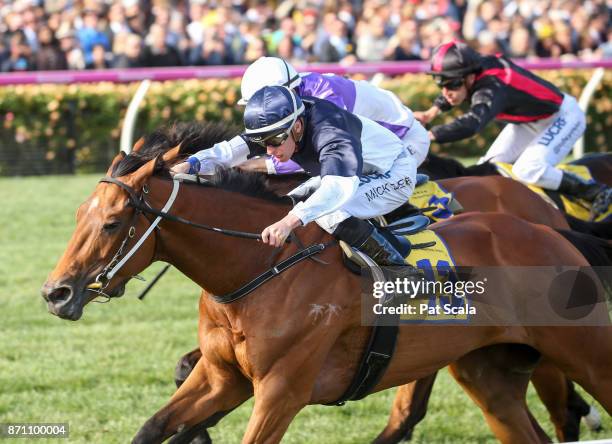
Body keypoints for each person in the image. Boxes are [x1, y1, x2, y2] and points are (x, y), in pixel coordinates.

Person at [171, 86, 418, 266]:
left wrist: (288, 223)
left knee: (330, 212)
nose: (269, 151)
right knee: (289, 200)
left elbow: (338, 189)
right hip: (359, 171)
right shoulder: (281, 126)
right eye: (262, 143)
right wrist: (191, 164)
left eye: (274, 142)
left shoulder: (330, 132)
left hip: (394, 173)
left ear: (298, 127)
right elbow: (231, 150)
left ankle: (399, 271)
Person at [415, 40, 610, 215]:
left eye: (452, 84)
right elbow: (453, 92)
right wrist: (431, 112)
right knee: (489, 168)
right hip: (530, 121)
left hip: (564, 117)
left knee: (528, 169)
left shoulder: (492, 86)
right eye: (442, 84)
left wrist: (430, 135)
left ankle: (595, 191)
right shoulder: (474, 70)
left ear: (470, 78)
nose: (446, 91)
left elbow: (472, 124)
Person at [237, 57, 430, 175]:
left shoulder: (325, 97)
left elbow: (326, 154)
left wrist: (257, 165)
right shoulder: (296, 92)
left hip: (406, 141)